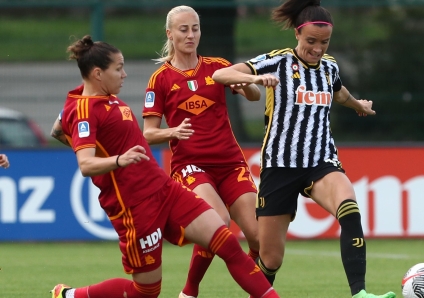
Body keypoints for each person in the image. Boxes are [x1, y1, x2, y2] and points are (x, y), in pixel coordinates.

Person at [49, 35, 279, 298]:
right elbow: (86, 164)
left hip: (165, 190)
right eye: (118, 68)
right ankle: (70, 295)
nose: (124, 74)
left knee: (227, 244)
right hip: (134, 206)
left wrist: (67, 127)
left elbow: (58, 128)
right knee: (145, 292)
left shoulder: (101, 98)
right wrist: (118, 160)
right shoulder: (84, 110)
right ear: (98, 74)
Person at [212, 1, 396, 297]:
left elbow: (339, 92)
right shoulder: (279, 62)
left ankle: (360, 293)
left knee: (348, 207)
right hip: (280, 167)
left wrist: (358, 105)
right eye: (311, 41)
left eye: (324, 42)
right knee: (270, 259)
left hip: (320, 161)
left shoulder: (330, 67)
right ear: (298, 35)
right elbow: (221, 75)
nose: (318, 48)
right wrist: (254, 78)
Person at [141, 6, 272, 298]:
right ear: (170, 34)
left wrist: (249, 83)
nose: (190, 35)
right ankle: (190, 291)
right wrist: (171, 132)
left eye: (195, 28)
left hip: (230, 163)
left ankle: (256, 289)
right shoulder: (160, 79)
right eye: (183, 29)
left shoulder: (218, 67)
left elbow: (252, 97)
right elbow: (148, 134)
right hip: (191, 166)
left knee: (258, 238)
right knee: (219, 221)